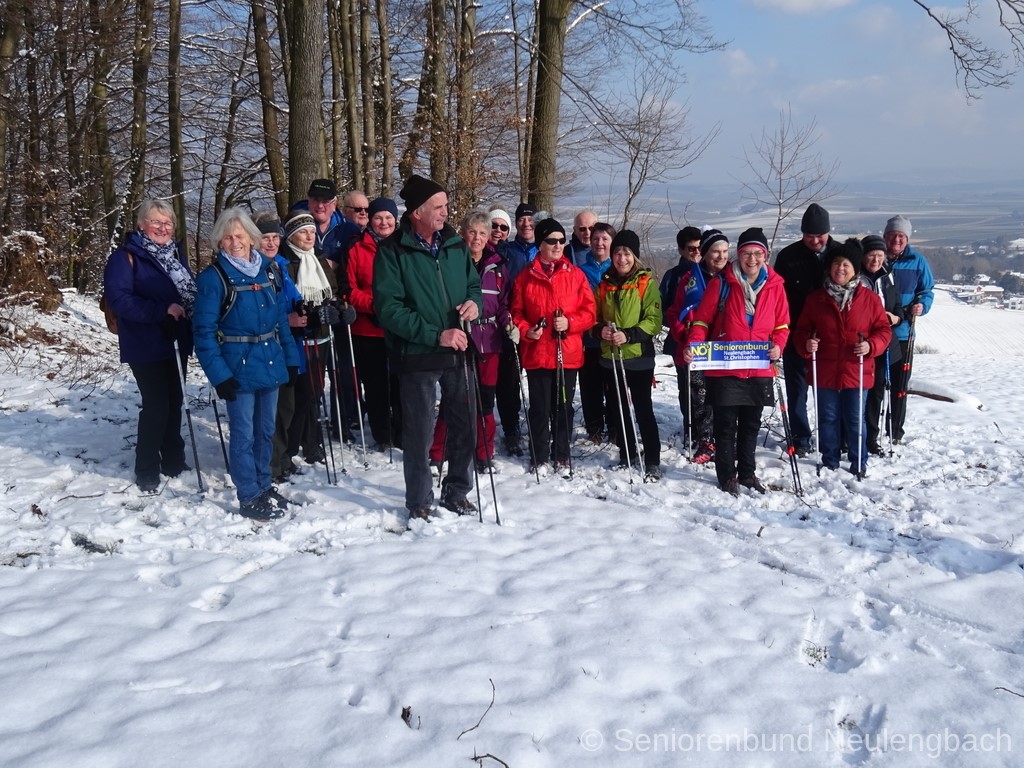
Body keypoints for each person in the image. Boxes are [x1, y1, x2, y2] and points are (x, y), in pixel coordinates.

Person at [373, 174, 482, 521]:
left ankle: (457, 491)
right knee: (419, 432)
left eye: (446, 206)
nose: (445, 213)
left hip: (459, 349)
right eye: (438, 207)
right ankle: (419, 500)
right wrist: (436, 334)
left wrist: (473, 304)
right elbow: (389, 310)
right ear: (417, 212)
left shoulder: (454, 244)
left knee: (464, 424)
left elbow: (473, 285)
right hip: (418, 353)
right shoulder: (393, 251)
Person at [193, 207, 299, 520]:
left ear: (251, 238)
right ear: (219, 243)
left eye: (239, 235)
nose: (234, 242)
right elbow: (204, 333)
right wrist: (219, 376)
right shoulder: (213, 279)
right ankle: (249, 494)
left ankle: (264, 485)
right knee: (244, 435)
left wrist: (291, 359)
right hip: (236, 368)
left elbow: (281, 319)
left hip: (269, 362)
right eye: (227, 237)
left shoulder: (269, 271)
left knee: (266, 431)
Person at [682, 227, 789, 496]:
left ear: (765, 255)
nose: (752, 259)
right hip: (725, 366)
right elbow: (702, 320)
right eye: (746, 253)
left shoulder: (775, 286)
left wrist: (778, 346)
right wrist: (695, 343)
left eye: (757, 253)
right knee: (726, 425)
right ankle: (727, 475)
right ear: (738, 255)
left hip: (759, 367)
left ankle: (748, 473)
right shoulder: (721, 284)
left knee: (751, 425)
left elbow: (782, 325)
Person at [103, 199, 196, 492]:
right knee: (157, 405)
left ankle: (173, 460)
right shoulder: (125, 257)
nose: (163, 228)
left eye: (168, 223)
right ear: (141, 224)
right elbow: (119, 299)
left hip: (176, 340)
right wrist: (160, 311)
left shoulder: (175, 256)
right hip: (145, 342)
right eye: (156, 222)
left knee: (175, 402)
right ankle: (146, 468)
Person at [793, 240, 892, 475]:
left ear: (855, 269)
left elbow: (883, 331)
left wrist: (871, 345)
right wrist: (807, 343)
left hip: (856, 369)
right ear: (829, 268)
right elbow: (801, 331)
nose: (840, 269)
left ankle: (859, 462)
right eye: (836, 264)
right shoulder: (816, 299)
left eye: (846, 265)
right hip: (825, 369)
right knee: (827, 418)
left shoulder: (869, 299)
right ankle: (830, 460)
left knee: (856, 420)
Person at [510, 218, 596, 472]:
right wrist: (527, 331)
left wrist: (569, 323)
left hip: (566, 352)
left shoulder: (576, 275)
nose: (558, 245)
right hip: (537, 352)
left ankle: (562, 453)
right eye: (552, 241)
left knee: (563, 406)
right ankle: (539, 455)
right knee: (539, 408)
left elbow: (590, 312)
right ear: (540, 244)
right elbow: (516, 313)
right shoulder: (525, 277)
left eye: (561, 240)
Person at [430, 211, 512, 472]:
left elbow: (503, 304)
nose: (477, 238)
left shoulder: (497, 266)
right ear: (463, 233)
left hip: (489, 341)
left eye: (483, 233)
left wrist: (508, 321)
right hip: (459, 337)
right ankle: (438, 452)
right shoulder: (450, 261)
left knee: (485, 400)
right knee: (454, 397)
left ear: (489, 237)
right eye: (473, 232)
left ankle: (484, 452)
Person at [278, 211, 347, 466]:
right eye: (303, 232)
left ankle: (311, 441)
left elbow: (333, 290)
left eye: (311, 231)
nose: (310, 236)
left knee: (315, 391)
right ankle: (295, 444)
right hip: (299, 336)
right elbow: (288, 299)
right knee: (301, 393)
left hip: (322, 336)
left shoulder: (317, 256)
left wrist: (339, 308)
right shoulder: (285, 260)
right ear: (292, 235)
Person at [593, 230, 663, 481]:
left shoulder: (646, 283)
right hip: (610, 357)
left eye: (626, 253)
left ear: (635, 256)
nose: (621, 258)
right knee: (619, 408)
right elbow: (595, 318)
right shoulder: (605, 284)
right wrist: (600, 330)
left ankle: (652, 458)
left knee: (643, 408)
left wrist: (629, 335)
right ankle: (627, 452)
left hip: (638, 357)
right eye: (617, 253)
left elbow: (654, 321)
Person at [773, 203, 839, 456]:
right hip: (796, 333)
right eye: (809, 235)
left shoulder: (840, 254)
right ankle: (801, 436)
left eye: (819, 235)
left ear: (828, 232)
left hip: (832, 336)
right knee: (797, 390)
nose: (814, 240)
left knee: (829, 391)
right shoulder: (789, 257)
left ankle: (833, 435)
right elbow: (779, 298)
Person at [667, 228, 731, 464]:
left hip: (726, 348)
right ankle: (705, 441)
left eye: (725, 251)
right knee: (699, 397)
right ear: (704, 253)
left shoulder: (734, 277)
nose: (721, 257)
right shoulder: (690, 279)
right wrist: (683, 334)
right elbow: (674, 312)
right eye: (715, 251)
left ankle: (724, 438)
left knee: (725, 396)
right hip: (696, 348)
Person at [252, 213, 307, 484]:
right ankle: (271, 465)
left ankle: (282, 458)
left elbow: (293, 297)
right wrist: (288, 319)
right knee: (272, 410)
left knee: (287, 406)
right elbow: (256, 314)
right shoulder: (253, 270)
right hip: (267, 349)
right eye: (265, 238)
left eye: (275, 237)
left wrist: (304, 307)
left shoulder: (279, 266)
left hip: (288, 346)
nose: (272, 243)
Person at [347, 197, 403, 451]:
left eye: (388, 218)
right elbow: (349, 289)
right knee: (376, 384)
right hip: (368, 329)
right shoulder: (357, 248)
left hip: (400, 328)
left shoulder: (404, 246)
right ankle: (383, 434)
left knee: (401, 384)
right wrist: (376, 305)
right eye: (379, 217)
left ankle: (403, 431)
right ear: (370, 219)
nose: (383, 222)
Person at [883, 215, 935, 444]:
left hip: (903, 333)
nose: (896, 239)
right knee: (874, 387)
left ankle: (895, 431)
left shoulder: (917, 261)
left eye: (901, 236)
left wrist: (922, 305)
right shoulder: (876, 258)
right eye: (893, 235)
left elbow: (927, 290)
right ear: (885, 236)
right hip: (876, 332)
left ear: (907, 239)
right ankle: (870, 430)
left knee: (899, 386)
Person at [496, 203, 538, 456]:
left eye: (530, 219)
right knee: (509, 381)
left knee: (539, 380)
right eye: (521, 220)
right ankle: (511, 430)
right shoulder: (507, 251)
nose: (526, 224)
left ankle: (540, 425)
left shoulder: (544, 249)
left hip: (538, 325)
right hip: (511, 322)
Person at [858, 234, 905, 454]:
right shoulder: (855, 277)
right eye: (871, 255)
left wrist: (895, 319)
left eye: (879, 255)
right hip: (859, 344)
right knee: (858, 393)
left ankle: (871, 439)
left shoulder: (888, 277)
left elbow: (898, 310)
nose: (875, 260)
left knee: (877, 392)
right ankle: (852, 437)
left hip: (884, 344)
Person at [578, 221, 616, 443]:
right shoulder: (581, 270)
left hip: (612, 338)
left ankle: (614, 426)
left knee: (612, 385)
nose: (599, 243)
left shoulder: (619, 268)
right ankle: (594, 427)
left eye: (605, 239)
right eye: (595, 239)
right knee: (590, 384)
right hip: (590, 336)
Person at [659, 225, 703, 359]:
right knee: (684, 379)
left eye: (699, 248)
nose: (696, 252)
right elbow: (662, 307)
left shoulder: (711, 274)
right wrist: (679, 327)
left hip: (707, 339)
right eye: (691, 248)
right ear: (681, 250)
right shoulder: (672, 276)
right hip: (679, 340)